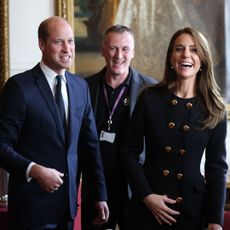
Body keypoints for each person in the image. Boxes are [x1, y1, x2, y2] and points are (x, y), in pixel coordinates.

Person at [0, 16, 109, 230]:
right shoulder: (19, 87)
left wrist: (100, 195)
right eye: (59, 42)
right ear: (42, 44)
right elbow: (2, 146)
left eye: (71, 41)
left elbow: (90, 148)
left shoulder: (80, 87)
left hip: (67, 209)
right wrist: (34, 170)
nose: (67, 48)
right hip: (31, 210)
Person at [121, 27, 228, 230]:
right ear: (171, 58)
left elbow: (217, 168)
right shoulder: (150, 97)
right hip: (148, 206)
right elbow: (128, 152)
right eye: (179, 49)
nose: (186, 55)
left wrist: (215, 220)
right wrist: (146, 195)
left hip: (191, 210)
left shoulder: (215, 109)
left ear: (203, 60)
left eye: (194, 50)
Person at [80, 24, 157, 230]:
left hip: (135, 191)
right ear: (103, 50)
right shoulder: (84, 88)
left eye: (125, 49)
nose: (118, 55)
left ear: (133, 52)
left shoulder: (150, 91)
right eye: (113, 48)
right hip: (97, 191)